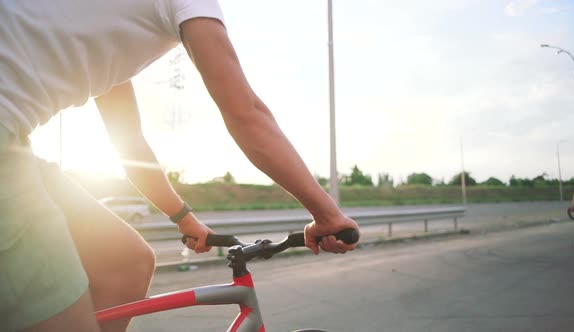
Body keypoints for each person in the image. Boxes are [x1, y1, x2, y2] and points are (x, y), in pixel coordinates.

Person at [0, 1, 360, 331]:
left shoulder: (107, 33)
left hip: (15, 143)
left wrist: (183, 218)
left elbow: (131, 147)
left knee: (127, 261)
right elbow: (246, 114)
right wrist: (326, 214)